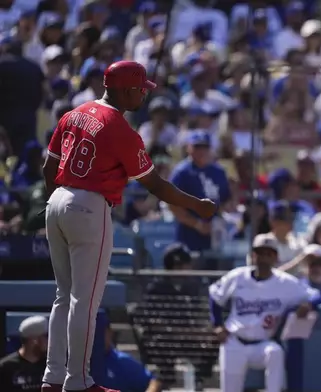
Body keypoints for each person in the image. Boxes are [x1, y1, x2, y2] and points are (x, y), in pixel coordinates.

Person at [41, 60, 217, 392]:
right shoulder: (120, 128)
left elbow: (48, 167)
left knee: (63, 297)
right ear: (125, 89)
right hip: (89, 204)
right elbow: (156, 186)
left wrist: (56, 203)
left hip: (58, 200)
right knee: (85, 300)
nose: (144, 95)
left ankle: (52, 377)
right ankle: (77, 381)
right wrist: (197, 205)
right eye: (140, 89)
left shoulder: (73, 114)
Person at [208, 233, 321, 392]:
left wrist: (309, 304)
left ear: (276, 257)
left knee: (275, 353)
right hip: (234, 341)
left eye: (269, 253)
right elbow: (214, 295)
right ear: (253, 255)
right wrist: (217, 325)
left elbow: (315, 294)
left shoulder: (285, 282)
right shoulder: (238, 276)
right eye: (260, 253)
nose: (263, 258)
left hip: (263, 343)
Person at [0, 316, 48, 392]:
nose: (48, 341)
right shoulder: (5, 367)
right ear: (34, 340)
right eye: (46, 336)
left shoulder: (50, 365)